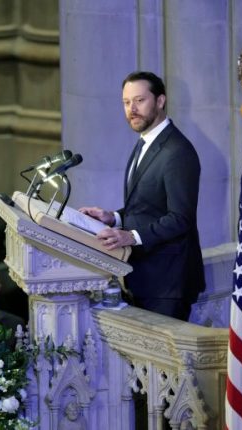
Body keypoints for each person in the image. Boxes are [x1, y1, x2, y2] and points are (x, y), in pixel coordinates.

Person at [78, 71, 205, 320]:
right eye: (126, 102)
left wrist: (130, 236)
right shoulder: (144, 142)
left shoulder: (177, 151)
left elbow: (180, 218)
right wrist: (113, 217)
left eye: (139, 100)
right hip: (144, 277)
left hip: (168, 283)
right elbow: (148, 207)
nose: (131, 109)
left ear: (160, 101)